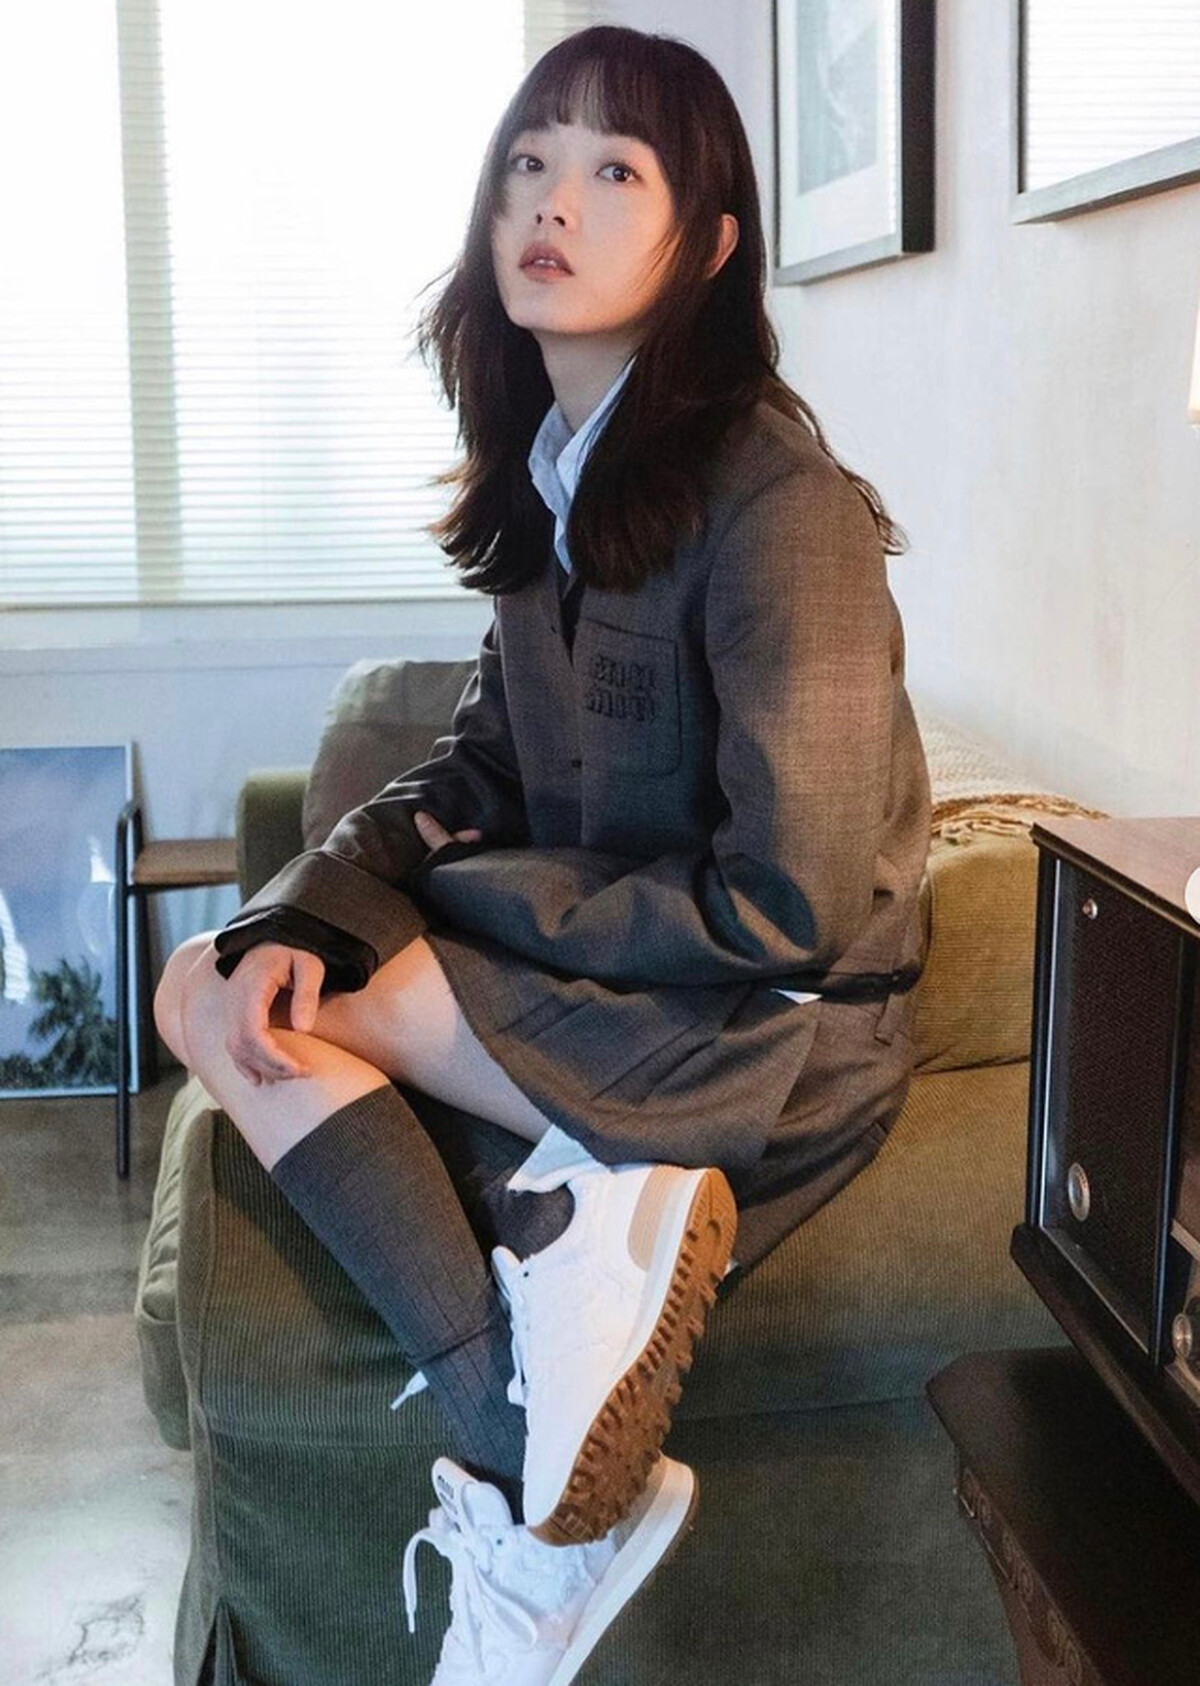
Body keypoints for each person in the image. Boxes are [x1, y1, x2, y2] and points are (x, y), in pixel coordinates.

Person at [155, 22, 931, 1686]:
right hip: (636, 984)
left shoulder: (783, 505)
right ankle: (538, 1448)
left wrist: (472, 911)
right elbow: (480, 767)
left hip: (766, 1029)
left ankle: (536, 1438)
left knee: (266, 1015)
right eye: (528, 160)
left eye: (613, 169)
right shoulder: (557, 477)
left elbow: (791, 902)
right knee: (206, 980)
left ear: (708, 248)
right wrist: (312, 907)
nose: (550, 201)